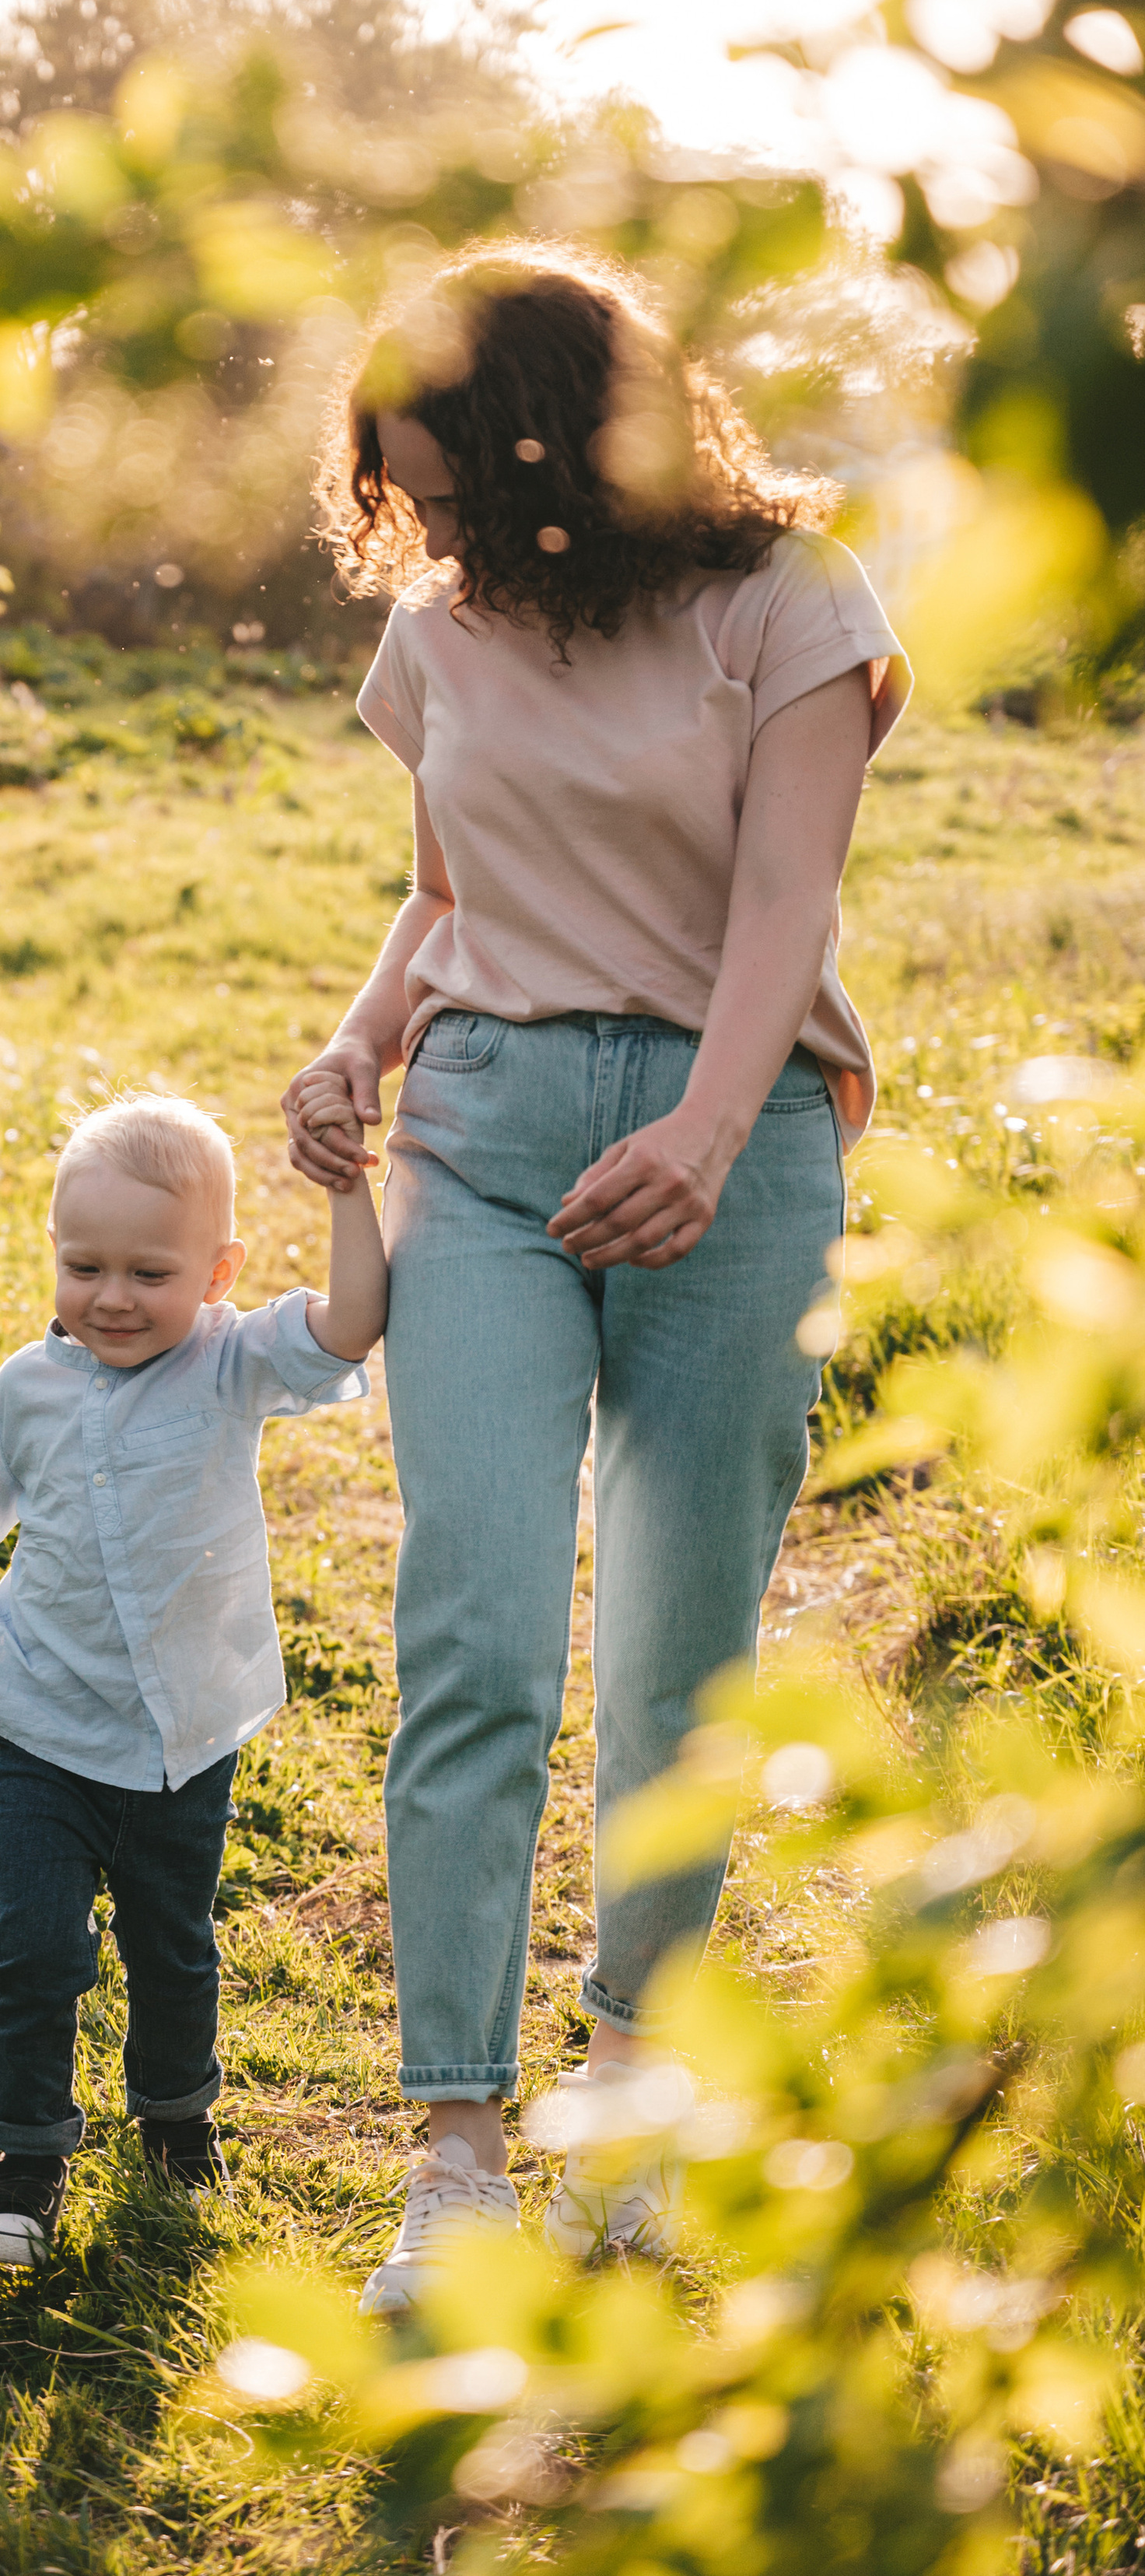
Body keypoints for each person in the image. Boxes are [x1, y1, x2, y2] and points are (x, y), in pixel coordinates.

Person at [283, 238, 909, 2312]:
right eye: (405, 501)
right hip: (481, 1133)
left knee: (674, 1650)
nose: (432, 536)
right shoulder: (437, 637)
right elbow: (442, 889)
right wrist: (363, 1039)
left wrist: (712, 1135)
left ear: (564, 444)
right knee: (472, 1626)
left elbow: (782, 901)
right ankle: (456, 2145)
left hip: (732, 1140)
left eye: (457, 492)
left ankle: (630, 2090)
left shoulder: (787, 600)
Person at [0, 1091, 387, 2268]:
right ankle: (25, 2159)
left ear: (218, 1270)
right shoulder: (27, 1388)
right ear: (53, 1255)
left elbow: (348, 1327)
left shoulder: (232, 1364)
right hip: (38, 1715)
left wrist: (349, 1187)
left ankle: (178, 2127)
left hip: (184, 1727)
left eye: (150, 1272)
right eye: (85, 1267)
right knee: (37, 1946)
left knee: (171, 1943)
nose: (113, 1299)